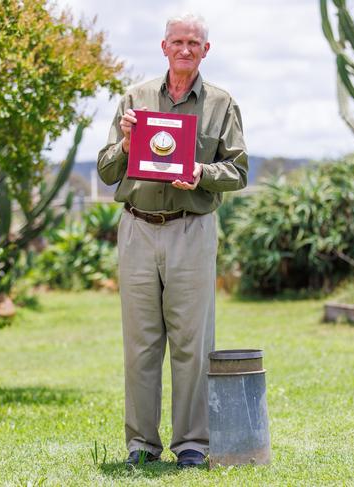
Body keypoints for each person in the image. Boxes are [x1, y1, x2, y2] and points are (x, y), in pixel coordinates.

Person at [97, 12, 247, 468]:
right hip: (137, 227)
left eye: (193, 43)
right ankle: (141, 444)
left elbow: (239, 171)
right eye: (177, 41)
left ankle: (192, 446)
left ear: (206, 50)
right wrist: (125, 144)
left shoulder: (222, 104)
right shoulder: (135, 99)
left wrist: (201, 172)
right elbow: (106, 171)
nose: (185, 49)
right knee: (140, 343)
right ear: (164, 47)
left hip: (191, 228)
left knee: (192, 342)